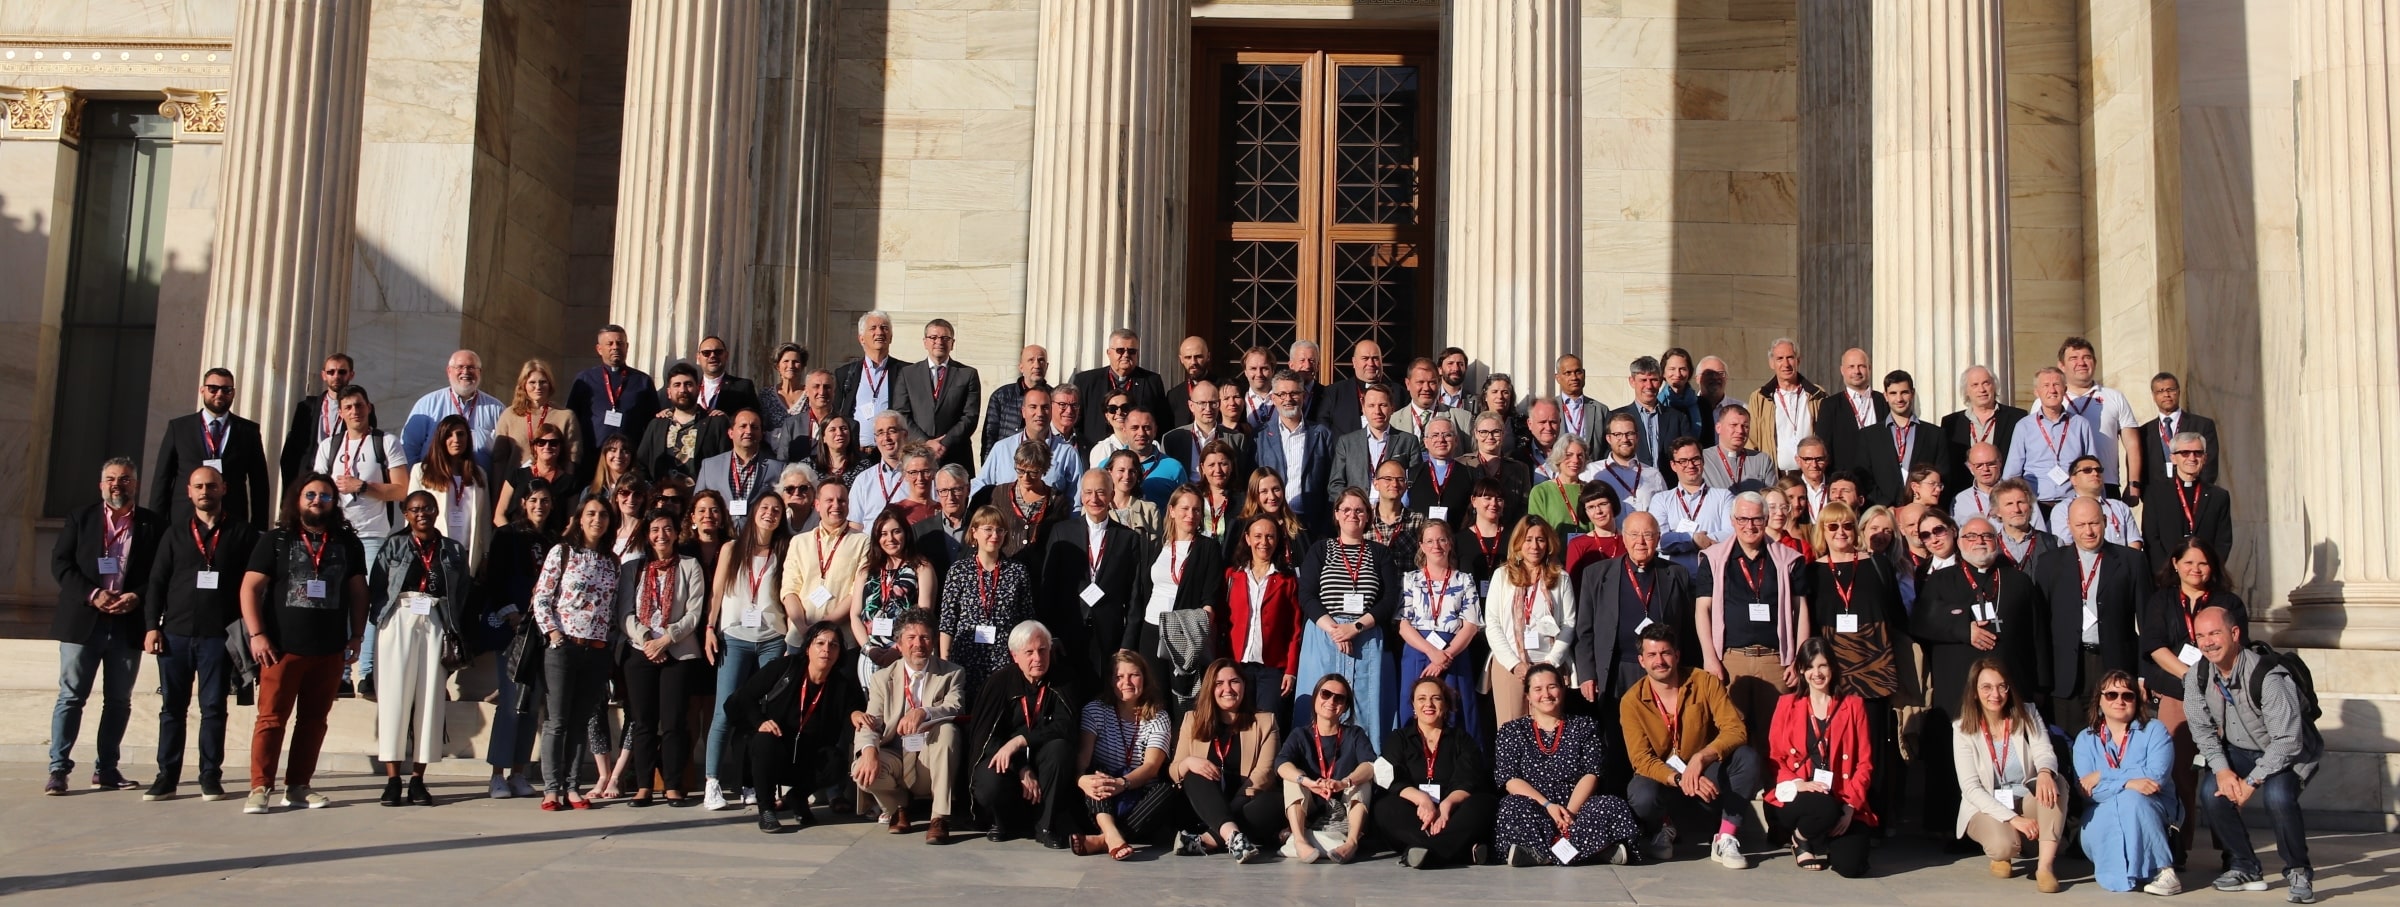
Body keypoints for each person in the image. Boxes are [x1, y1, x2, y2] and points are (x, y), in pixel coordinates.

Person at [239, 473, 369, 813]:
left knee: (314, 721)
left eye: (325, 496)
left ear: (334, 503)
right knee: (271, 719)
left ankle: (298, 785)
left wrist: (356, 635)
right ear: (297, 499)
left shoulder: (347, 543)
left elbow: (358, 592)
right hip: (281, 648)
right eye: (310, 494)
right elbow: (250, 587)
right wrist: (257, 634)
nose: (317, 501)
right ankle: (259, 787)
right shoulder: (276, 540)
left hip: (329, 649)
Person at [49, 458, 167, 796]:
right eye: (111, 479)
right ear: (101, 484)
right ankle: (58, 769)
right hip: (82, 621)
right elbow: (61, 564)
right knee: (71, 696)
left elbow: (159, 574)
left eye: (125, 479)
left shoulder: (151, 524)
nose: (118, 485)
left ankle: (107, 769)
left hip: (127, 624)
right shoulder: (80, 518)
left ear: (136, 484)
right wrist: (93, 594)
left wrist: (137, 597)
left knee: (119, 700)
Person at [139, 466, 257, 801]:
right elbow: (157, 582)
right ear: (189, 492)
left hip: (218, 637)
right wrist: (151, 626)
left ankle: (210, 775)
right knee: (172, 709)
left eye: (212, 485)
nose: (206, 491)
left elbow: (255, 584)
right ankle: (167, 776)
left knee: (214, 707)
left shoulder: (242, 533)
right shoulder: (175, 532)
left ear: (224, 489)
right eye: (199, 486)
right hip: (174, 634)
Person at [2187, 606, 2320, 902]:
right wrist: (2222, 771)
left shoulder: (2269, 676)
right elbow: (2202, 731)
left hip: (2283, 753)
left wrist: (2251, 782)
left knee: (2278, 799)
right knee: (2211, 793)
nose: (2207, 642)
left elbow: (2287, 741)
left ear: (2235, 634)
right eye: (2201, 636)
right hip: (2237, 749)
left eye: (2215, 633)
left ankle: (2298, 870)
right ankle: (2244, 865)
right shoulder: (2197, 675)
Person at [1621, 622, 1763, 868]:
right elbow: (1641, 759)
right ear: (1642, 661)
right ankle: (1664, 828)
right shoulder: (1631, 700)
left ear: (1677, 655)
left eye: (1665, 653)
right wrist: (1679, 778)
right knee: (1640, 793)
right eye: (1652, 655)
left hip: (1707, 777)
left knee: (1746, 757)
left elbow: (1736, 729)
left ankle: (1726, 836)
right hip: (1667, 781)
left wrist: (1702, 758)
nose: (1660, 660)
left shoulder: (1704, 682)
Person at [2139, 537, 2246, 857]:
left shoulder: (2229, 602)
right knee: (2179, 772)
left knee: (2224, 770)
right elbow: (2155, 645)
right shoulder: (2162, 601)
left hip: (2222, 696)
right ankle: (2179, 844)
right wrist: (2189, 676)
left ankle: (2231, 848)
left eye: (2202, 562)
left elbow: (2239, 645)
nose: (2195, 569)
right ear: (2175, 564)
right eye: (2188, 562)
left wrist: (2209, 677)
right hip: (2176, 694)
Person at [366, 491, 469, 807]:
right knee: (395, 698)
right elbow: (377, 587)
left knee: (430, 700)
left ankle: (418, 780)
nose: (421, 513)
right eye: (414, 509)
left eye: (427, 508)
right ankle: (393, 779)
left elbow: (462, 590)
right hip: (398, 618)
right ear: (405, 513)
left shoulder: (452, 549)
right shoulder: (394, 545)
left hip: (435, 619)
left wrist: (452, 626)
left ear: (436, 510)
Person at [310, 385, 409, 696]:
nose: (355, 411)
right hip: (335, 535)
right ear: (341, 412)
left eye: (360, 405)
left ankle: (366, 671)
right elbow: (316, 489)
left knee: (366, 602)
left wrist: (362, 486)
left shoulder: (386, 442)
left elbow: (401, 489)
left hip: (373, 534)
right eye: (349, 406)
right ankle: (339, 674)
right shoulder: (329, 446)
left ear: (369, 407)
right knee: (334, 600)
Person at [1495, 663, 1644, 866]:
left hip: (1577, 807)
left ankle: (1542, 854)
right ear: (1528, 696)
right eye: (1537, 689)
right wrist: (1548, 806)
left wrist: (1569, 814)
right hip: (1537, 805)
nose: (1546, 694)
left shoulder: (1584, 726)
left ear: (1563, 689)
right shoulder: (1512, 731)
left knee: (1611, 805)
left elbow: (1592, 773)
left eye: (1552, 687)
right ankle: (1594, 851)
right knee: (1511, 807)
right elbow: (1509, 779)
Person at [1697, 491, 1812, 753]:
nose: (1750, 526)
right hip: (1730, 659)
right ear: (1732, 520)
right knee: (1730, 733)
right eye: (1743, 519)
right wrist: (1710, 658)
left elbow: (1801, 609)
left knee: (1777, 735)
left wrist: (1799, 659)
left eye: (1757, 519)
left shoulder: (1788, 559)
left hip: (1776, 660)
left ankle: (1774, 791)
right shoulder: (1713, 559)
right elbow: (1702, 610)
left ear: (1767, 519)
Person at [699, 490, 791, 810]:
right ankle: (712, 781)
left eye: (776, 510)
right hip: (735, 637)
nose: (770, 513)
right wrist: (710, 628)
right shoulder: (731, 548)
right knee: (726, 709)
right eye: (765, 508)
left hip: (772, 638)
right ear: (753, 513)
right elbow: (716, 593)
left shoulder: (785, 549)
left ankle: (754, 783)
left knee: (764, 713)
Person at [728, 620, 863, 831]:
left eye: (833, 645)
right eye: (820, 643)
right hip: (775, 750)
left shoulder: (840, 684)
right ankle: (767, 810)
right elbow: (742, 698)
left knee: (835, 761)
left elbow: (852, 708)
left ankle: (797, 798)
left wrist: (854, 713)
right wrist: (760, 722)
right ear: (808, 647)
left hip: (806, 757)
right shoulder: (785, 667)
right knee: (764, 740)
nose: (826, 649)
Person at [530, 496, 617, 811]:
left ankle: (572, 786)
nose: (597, 519)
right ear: (580, 518)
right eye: (591, 514)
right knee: (558, 720)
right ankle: (552, 788)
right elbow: (542, 596)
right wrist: (553, 633)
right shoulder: (563, 552)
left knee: (581, 720)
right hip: (563, 645)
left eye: (604, 515)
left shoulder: (611, 560)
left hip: (595, 650)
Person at [1763, 638, 1877, 877]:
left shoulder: (1854, 706)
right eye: (1811, 667)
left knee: (1851, 866)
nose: (1817, 673)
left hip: (1842, 797)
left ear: (1832, 668)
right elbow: (1776, 757)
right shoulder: (1786, 704)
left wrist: (1849, 806)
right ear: (1802, 670)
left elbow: (1864, 763)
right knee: (1824, 806)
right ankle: (1801, 839)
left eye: (1823, 665)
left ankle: (1826, 840)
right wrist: (1799, 783)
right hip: (1799, 796)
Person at [849, 609, 965, 841]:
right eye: (911, 638)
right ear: (899, 645)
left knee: (948, 732)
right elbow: (871, 721)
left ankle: (939, 817)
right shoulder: (882, 678)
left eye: (924, 637)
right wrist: (869, 752)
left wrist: (923, 712)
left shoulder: (952, 673)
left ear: (933, 642)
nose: (918, 644)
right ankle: (897, 810)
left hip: (929, 757)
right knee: (861, 767)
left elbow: (955, 707)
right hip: (897, 756)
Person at [615, 509, 706, 806]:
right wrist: (646, 639)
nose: (661, 535)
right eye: (655, 530)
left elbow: (694, 612)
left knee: (674, 722)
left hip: (678, 651)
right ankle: (643, 785)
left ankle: (672, 785)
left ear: (676, 532)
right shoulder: (632, 568)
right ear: (647, 534)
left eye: (667, 529)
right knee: (643, 721)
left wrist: (667, 639)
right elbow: (625, 613)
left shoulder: (690, 566)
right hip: (641, 651)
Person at [1951, 657, 2066, 893]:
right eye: (1987, 687)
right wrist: (2014, 819)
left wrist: (2045, 772)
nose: (1996, 694)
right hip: (1986, 806)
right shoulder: (1962, 729)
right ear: (1974, 692)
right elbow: (1971, 788)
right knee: (2004, 847)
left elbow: (2044, 750)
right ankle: (2005, 853)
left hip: (2025, 797)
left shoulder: (2028, 713)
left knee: (2057, 782)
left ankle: (2044, 867)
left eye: (2002, 686)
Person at [473, 478, 556, 799]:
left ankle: (519, 771)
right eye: (534, 499)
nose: (539, 505)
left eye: (545, 500)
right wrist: (510, 612)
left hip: (542, 628)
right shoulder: (506, 535)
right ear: (523, 502)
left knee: (532, 703)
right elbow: (494, 580)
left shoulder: (552, 539)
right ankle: (497, 773)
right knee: (510, 702)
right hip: (513, 628)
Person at [2035, 497, 2145, 736]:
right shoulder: (2049, 564)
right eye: (2081, 525)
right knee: (2069, 742)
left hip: (2114, 665)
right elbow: (2040, 626)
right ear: (2069, 525)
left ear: (2105, 522)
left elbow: (2145, 621)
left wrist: (2144, 676)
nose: (2088, 531)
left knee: (2116, 738)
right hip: (2067, 671)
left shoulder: (2131, 561)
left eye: (2094, 523)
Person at [1295, 489, 1402, 734]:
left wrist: (1354, 628)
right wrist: (1335, 630)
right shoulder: (1321, 549)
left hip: (1366, 637)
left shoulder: (1380, 553)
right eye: (1346, 509)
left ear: (1367, 516)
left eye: (1359, 510)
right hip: (1324, 638)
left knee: (1364, 707)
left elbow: (1389, 599)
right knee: (1323, 704)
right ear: (1336, 514)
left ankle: (1366, 765)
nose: (1352, 514)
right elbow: (1307, 595)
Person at [968, 621, 1081, 845]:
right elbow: (984, 736)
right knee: (991, 777)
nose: (1037, 658)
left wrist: (1021, 740)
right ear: (1015, 655)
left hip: (1043, 757)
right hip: (1008, 761)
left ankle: (1046, 826)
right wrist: (1021, 767)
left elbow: (1066, 726)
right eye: (1029, 652)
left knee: (1060, 750)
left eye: (1042, 650)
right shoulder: (999, 683)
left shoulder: (1064, 680)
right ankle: (1000, 822)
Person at [2074, 669, 2184, 894]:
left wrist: (2104, 776)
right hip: (2101, 814)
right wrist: (2127, 782)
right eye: (2112, 695)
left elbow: (2156, 777)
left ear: (2136, 700)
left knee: (2132, 800)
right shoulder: (2085, 739)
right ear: (2099, 701)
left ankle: (2163, 871)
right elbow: (2088, 791)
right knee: (2126, 797)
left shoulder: (2155, 730)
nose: (2120, 700)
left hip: (2152, 809)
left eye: (2127, 695)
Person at [1574, 512, 1700, 707]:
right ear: (1623, 537)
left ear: (1658, 538)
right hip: (1616, 670)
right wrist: (1587, 674)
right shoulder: (1596, 574)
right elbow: (1585, 631)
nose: (1640, 542)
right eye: (1634, 535)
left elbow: (1688, 631)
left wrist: (1692, 672)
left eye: (1648, 535)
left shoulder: (1677, 574)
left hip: (1663, 668)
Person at [1375, 676, 1499, 868]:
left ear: (1446, 705)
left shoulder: (1462, 739)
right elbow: (1390, 778)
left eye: (1436, 698)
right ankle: (1460, 851)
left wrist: (1446, 805)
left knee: (1484, 803)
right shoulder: (1399, 738)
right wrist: (1422, 800)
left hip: (1453, 813)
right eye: (1422, 699)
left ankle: (1425, 852)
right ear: (1413, 706)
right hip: (1414, 813)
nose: (1429, 704)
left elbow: (1467, 779)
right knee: (1384, 807)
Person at [1041, 470, 1147, 689]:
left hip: (1110, 638)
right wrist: (1051, 636)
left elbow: (1135, 595)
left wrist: (1127, 644)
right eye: (1088, 492)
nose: (1094, 499)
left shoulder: (1128, 538)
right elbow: (1048, 588)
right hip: (1067, 635)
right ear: (1081, 496)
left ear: (1111, 495)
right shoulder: (1062, 532)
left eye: (1100, 492)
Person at [1172, 659, 1284, 862]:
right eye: (1219, 683)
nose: (1227, 689)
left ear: (1244, 685)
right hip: (1203, 804)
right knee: (1193, 773)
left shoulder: (1265, 721)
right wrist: (1188, 762)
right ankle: (1233, 836)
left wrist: (1228, 812)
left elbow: (1264, 774)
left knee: (1275, 801)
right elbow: (1174, 769)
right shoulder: (1192, 719)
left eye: (1234, 681)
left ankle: (1214, 838)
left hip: (1246, 802)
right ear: (1209, 689)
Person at [1068, 650, 1176, 859]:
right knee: (1098, 774)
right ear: (1110, 681)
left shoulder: (1159, 716)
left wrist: (1123, 783)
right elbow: (1082, 761)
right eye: (1119, 676)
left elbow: (1151, 766)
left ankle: (1103, 839)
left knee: (1166, 789)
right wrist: (1082, 780)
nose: (1126, 682)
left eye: (1133, 675)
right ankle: (1110, 832)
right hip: (1100, 801)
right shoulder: (1094, 710)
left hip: (1137, 792)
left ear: (1144, 678)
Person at [1130, 487, 1224, 707]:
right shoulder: (1157, 546)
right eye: (1184, 508)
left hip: (1184, 633)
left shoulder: (1208, 548)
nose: (1190, 515)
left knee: (1184, 701)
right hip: (1151, 628)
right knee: (1154, 698)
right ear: (1171, 510)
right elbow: (1144, 590)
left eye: (1196, 510)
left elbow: (1210, 598)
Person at [1274, 673, 1379, 863]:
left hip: (1342, 803)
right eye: (1326, 694)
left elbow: (1370, 765)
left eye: (1339, 698)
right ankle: (1300, 841)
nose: (1331, 701)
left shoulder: (1354, 734)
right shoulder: (1300, 735)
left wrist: (1344, 782)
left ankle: (1352, 843)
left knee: (1361, 783)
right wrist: (1307, 782)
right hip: (1312, 803)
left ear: (1345, 706)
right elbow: (1281, 764)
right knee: (1293, 779)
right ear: (1315, 698)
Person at [1396, 521, 1485, 744]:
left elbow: (1471, 626)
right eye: (1429, 541)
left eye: (1441, 540)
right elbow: (1403, 625)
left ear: (1450, 544)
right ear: (1421, 546)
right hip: (1419, 653)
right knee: (1416, 710)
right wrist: (1432, 652)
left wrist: (1445, 657)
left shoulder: (1464, 580)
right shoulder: (1411, 580)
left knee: (1455, 712)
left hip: (1453, 654)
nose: (1436, 545)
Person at [942, 506, 1037, 707]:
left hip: (1004, 659)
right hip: (964, 659)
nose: (995, 535)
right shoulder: (958, 571)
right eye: (988, 529)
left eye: (1000, 530)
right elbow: (947, 622)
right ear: (974, 532)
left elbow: (1026, 621)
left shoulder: (1017, 572)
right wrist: (945, 663)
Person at [153, 368, 271, 526]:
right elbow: (162, 479)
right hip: (184, 519)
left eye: (226, 389)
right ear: (202, 390)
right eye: (213, 388)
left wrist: (259, 527)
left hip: (232, 520)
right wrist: (156, 524)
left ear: (233, 393)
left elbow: (259, 483)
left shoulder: (248, 431)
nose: (219, 394)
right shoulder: (179, 428)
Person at [1485, 516, 1574, 726]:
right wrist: (1515, 664)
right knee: (1511, 731)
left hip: (1548, 665)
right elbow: (1493, 622)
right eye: (1528, 539)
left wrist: (1552, 662)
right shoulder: (1502, 576)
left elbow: (1569, 624)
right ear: (1518, 543)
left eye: (1540, 540)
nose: (1534, 546)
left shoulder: (1561, 578)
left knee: (1548, 730)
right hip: (1510, 666)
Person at [1222, 514, 1303, 716]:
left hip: (1273, 668)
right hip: (1237, 665)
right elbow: (1223, 622)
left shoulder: (1288, 580)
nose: (1263, 542)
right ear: (1248, 539)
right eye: (1258, 536)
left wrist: (1291, 670)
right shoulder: (1232, 576)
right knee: (1238, 724)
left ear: (1277, 540)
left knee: (1268, 726)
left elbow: (1295, 630)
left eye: (1270, 536)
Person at [849, 508, 940, 687]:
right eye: (883, 534)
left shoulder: (921, 567)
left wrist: (897, 649)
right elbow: (855, 615)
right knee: (874, 708)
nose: (890, 539)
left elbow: (924, 614)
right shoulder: (867, 571)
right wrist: (869, 649)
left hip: (908, 652)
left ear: (905, 533)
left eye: (896, 531)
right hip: (871, 653)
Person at [781, 480, 868, 647]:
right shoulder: (799, 542)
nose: (836, 505)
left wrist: (823, 626)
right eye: (830, 500)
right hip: (801, 637)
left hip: (842, 639)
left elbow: (856, 592)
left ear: (848, 505)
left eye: (842, 500)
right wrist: (803, 628)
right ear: (817, 505)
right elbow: (789, 590)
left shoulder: (862, 541)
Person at [2056, 338, 2144, 499]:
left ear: (2095, 362)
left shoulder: (2114, 397)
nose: (2081, 363)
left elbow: (2132, 444)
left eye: (2087, 357)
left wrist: (2134, 484)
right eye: (2073, 358)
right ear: (2061, 366)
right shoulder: (2049, 399)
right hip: (2062, 487)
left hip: (2105, 482)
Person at [889, 319, 980, 469]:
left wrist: (944, 443)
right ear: (925, 342)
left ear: (952, 343)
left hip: (955, 455)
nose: (939, 342)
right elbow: (901, 413)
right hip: (917, 455)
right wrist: (926, 443)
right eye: (933, 337)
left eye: (945, 338)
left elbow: (970, 416)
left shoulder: (967, 374)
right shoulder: (908, 374)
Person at [569, 324, 661, 472]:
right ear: (599, 349)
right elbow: (572, 419)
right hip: (592, 459)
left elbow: (652, 424)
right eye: (609, 343)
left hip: (628, 460)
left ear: (627, 347)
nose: (615, 347)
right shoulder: (584, 379)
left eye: (620, 343)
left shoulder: (642, 381)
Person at [1254, 370, 1335, 534]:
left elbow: (1332, 482)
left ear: (1304, 396)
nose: (1288, 399)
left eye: (1294, 393)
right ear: (1273, 398)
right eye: (1282, 394)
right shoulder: (1259, 436)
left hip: (1312, 525)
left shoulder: (1322, 434)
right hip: (1271, 523)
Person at [408, 415, 492, 570]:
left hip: (468, 552)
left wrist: (486, 553)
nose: (456, 439)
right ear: (441, 439)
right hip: (434, 550)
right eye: (449, 435)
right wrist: (412, 548)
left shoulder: (479, 474)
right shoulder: (422, 471)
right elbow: (410, 516)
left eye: (461, 434)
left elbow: (485, 518)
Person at [2142, 431, 2232, 576]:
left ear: (2205, 458)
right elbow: (2152, 538)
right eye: (2185, 453)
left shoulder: (2219, 496)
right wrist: (2168, 571)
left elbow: (2223, 541)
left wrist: (2209, 570)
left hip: (2204, 577)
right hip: (2166, 578)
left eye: (2197, 453)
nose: (2192, 458)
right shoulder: (2155, 494)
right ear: (2173, 458)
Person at [2003, 367, 2097, 506]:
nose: (2052, 390)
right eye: (2046, 386)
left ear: (2064, 390)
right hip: (2036, 504)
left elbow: (2092, 468)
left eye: (2056, 385)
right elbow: (2012, 474)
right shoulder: (2024, 426)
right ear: (2037, 392)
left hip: (2073, 503)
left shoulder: (2080, 425)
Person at [401, 350, 505, 471]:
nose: (465, 372)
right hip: (434, 484)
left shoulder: (496, 409)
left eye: (471, 367)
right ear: (449, 371)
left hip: (480, 485)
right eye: (460, 367)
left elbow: (504, 454)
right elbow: (409, 448)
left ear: (479, 372)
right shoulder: (427, 404)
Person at [1941, 365, 2028, 505]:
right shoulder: (1951, 423)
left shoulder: (2017, 418)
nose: (1982, 389)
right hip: (1965, 498)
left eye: (1986, 383)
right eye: (1975, 385)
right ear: (1966, 391)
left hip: (2006, 496)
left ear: (1994, 386)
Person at [976, 385, 1083, 495]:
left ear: (1051, 411)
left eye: (1045, 407)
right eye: (1033, 407)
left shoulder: (1067, 452)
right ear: (1023, 412)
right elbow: (980, 484)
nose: (1040, 413)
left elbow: (1075, 500)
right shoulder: (1002, 448)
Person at [1647, 437, 1733, 575]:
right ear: (1673, 465)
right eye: (1683, 461)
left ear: (1703, 461)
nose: (1690, 465)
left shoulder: (1724, 497)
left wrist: (1694, 540)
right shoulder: (1661, 500)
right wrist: (1693, 539)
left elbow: (1731, 534)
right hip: (1673, 578)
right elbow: (1659, 540)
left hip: (1713, 576)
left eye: (1695, 459)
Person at [1861, 370, 1947, 507]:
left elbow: (1942, 474)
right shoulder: (1869, 436)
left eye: (1904, 392)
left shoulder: (1935, 434)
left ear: (1912, 394)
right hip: (1884, 513)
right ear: (1886, 396)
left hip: (1923, 512)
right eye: (1893, 393)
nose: (1899, 399)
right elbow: (1865, 478)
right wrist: (1887, 507)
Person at [975, 441, 1068, 563]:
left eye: (1033, 472)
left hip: (1041, 570)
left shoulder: (1057, 500)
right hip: (1005, 569)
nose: (1026, 477)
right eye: (1021, 470)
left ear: (1044, 470)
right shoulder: (999, 493)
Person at [1327, 384, 1421, 503]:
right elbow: (1335, 485)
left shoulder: (1408, 441)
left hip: (1394, 510)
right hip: (1358, 512)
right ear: (1363, 409)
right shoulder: (1347, 442)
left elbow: (1415, 483)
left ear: (1392, 408)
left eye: (1383, 405)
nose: (1377, 411)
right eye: (1371, 406)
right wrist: (1355, 504)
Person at [636, 363, 729, 481]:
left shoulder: (716, 424)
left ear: (698, 388)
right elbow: (641, 464)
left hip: (701, 497)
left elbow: (726, 464)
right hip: (662, 497)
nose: (683, 390)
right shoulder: (656, 425)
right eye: (677, 385)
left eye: (688, 384)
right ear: (669, 392)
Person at [1744, 338, 1828, 470]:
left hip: (1811, 473)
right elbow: (1751, 440)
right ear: (1772, 363)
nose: (1786, 364)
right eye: (1780, 358)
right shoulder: (1759, 398)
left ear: (1798, 361)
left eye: (1790, 357)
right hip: (1775, 476)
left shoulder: (1817, 395)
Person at [280, 354, 360, 486]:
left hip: (342, 481)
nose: (336, 376)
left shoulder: (361, 409)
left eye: (342, 372)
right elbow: (291, 453)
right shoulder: (306, 408)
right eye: (331, 372)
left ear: (351, 375)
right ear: (324, 375)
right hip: (310, 479)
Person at [832, 311, 916, 437]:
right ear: (861, 338)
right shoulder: (845, 373)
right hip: (857, 451)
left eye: (884, 328)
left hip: (892, 450)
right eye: (873, 328)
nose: (879, 332)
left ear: (891, 337)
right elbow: (838, 413)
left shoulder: (907, 371)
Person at [492, 358, 581, 473]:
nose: (538, 387)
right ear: (524, 385)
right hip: (515, 485)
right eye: (532, 382)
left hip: (552, 485)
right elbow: (499, 459)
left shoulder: (566, 416)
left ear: (550, 384)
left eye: (543, 382)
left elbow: (572, 458)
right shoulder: (510, 415)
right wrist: (498, 489)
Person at [694, 409, 785, 521]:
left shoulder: (777, 468)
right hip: (721, 534)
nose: (749, 431)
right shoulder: (709, 466)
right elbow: (697, 504)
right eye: (743, 426)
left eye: (754, 427)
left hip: (757, 535)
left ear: (762, 434)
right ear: (730, 433)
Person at [1811, 348, 1888, 478]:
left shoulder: (1884, 401)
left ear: (1869, 368)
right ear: (1842, 370)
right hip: (1844, 482)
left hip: (1880, 479)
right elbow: (1824, 447)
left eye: (1861, 366)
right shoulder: (1830, 406)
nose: (1856, 371)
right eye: (1851, 366)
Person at [2136, 371, 2219, 491]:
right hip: (2157, 495)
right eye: (2160, 391)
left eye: (2171, 390)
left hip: (2194, 492)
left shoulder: (2203, 425)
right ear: (2153, 396)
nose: (2166, 395)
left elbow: (2210, 462)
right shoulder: (2144, 431)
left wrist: (2200, 491)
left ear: (2179, 392)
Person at [2046, 455, 2141, 549]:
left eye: (2099, 470)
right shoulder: (2063, 509)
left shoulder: (2119, 506)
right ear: (2073, 479)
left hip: (2121, 562)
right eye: (2087, 470)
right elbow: (2064, 547)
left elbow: (2134, 543)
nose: (2095, 473)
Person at [1612, 355, 1692, 467]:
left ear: (1660, 382)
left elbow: (1688, 453)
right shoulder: (1615, 418)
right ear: (1632, 381)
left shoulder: (1677, 418)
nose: (1649, 386)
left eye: (1654, 380)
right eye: (1643, 380)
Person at [494, 423, 575, 530]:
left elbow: (572, 522)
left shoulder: (569, 482)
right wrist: (513, 536)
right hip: (516, 540)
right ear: (534, 447)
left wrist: (558, 544)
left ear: (561, 447)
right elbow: (499, 515)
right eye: (541, 442)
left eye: (553, 443)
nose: (547, 446)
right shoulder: (517, 475)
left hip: (551, 542)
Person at [979, 344, 1050, 457]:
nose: (1036, 365)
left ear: (1046, 366)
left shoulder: (1054, 398)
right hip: (1007, 462)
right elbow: (989, 438)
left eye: (1041, 360)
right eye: (1031, 360)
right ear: (1021, 367)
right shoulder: (1001, 396)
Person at [1405, 418, 1471, 531]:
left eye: (1447, 435)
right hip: (1419, 541)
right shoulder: (1411, 474)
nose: (1441, 440)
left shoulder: (1470, 475)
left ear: (1456, 441)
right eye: (1435, 435)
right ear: (1426, 442)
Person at [849, 412, 912, 525]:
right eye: (880, 433)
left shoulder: (920, 477)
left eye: (892, 431)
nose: (886, 438)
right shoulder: (863, 480)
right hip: (870, 542)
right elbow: (855, 525)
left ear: (905, 435)